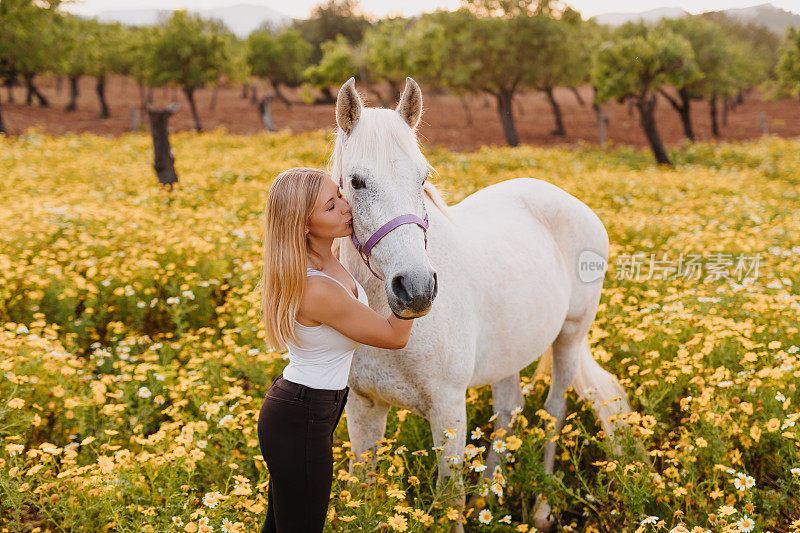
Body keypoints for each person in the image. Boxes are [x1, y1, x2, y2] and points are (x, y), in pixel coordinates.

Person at [257, 167, 415, 532]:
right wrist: (413, 284)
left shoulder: (327, 260)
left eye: (340, 196)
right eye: (331, 206)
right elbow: (395, 336)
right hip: (301, 416)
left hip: (305, 410)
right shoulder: (316, 290)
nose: (347, 208)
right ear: (303, 226)